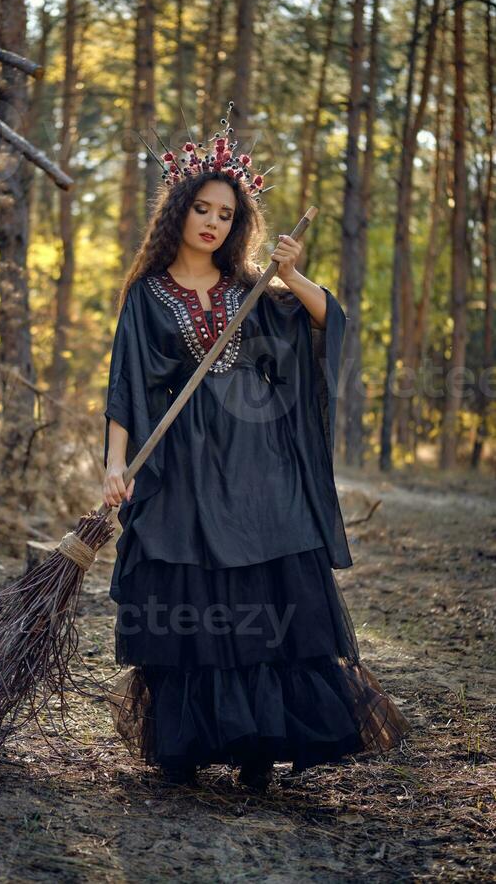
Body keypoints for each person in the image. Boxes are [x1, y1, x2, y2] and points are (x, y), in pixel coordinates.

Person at [102, 109, 409, 791]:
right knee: (193, 589)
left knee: (268, 592)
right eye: (202, 209)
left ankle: (259, 750)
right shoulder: (148, 299)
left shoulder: (251, 289)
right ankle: (191, 741)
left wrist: (293, 275)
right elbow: (124, 384)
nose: (212, 222)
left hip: (259, 464)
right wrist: (114, 465)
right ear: (179, 211)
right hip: (184, 469)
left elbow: (328, 320)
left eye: (225, 213)